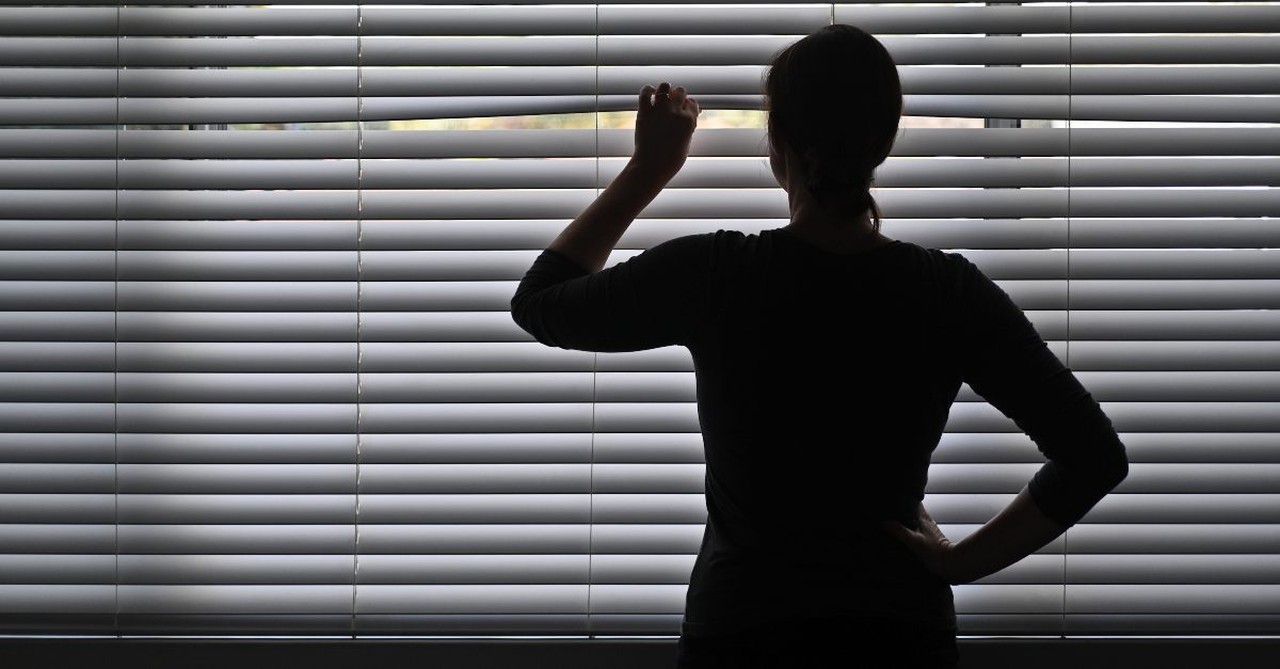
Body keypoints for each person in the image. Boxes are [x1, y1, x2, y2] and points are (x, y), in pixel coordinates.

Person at [510, 24, 1128, 669]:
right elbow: (1092, 455)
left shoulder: (719, 274)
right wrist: (962, 561)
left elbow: (541, 302)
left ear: (778, 141)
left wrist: (650, 166)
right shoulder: (947, 290)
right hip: (898, 631)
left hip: (744, 631)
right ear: (884, 142)